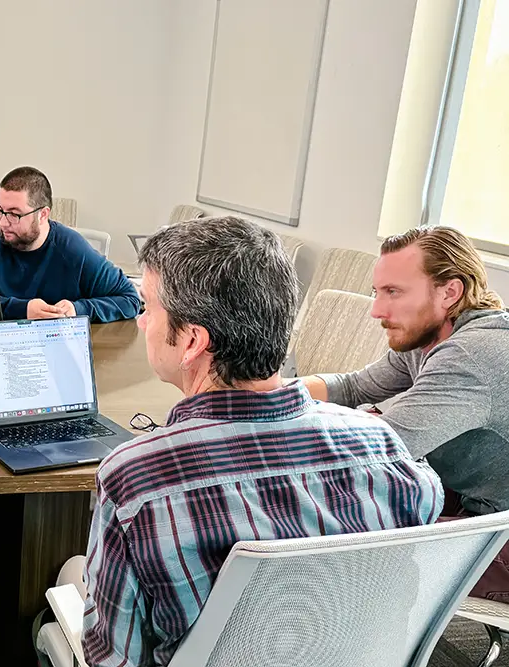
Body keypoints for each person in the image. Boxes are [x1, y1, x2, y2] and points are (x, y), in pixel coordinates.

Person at [82, 217, 442, 666]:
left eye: (149, 308)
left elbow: (114, 658)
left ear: (192, 340)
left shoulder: (136, 479)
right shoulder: (386, 450)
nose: (141, 322)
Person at [300, 226, 509, 599]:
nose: (377, 310)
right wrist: (265, 393)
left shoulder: (469, 355)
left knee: (352, 541)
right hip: (479, 500)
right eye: (377, 292)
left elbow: (376, 453)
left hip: (500, 527)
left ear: (450, 291)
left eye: (394, 292)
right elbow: (353, 387)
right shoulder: (430, 335)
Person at [0, 166, 139, 323]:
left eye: (14, 214)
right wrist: (23, 309)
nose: (3, 222)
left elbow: (129, 299)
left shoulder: (72, 249)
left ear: (43, 214)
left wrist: (79, 308)